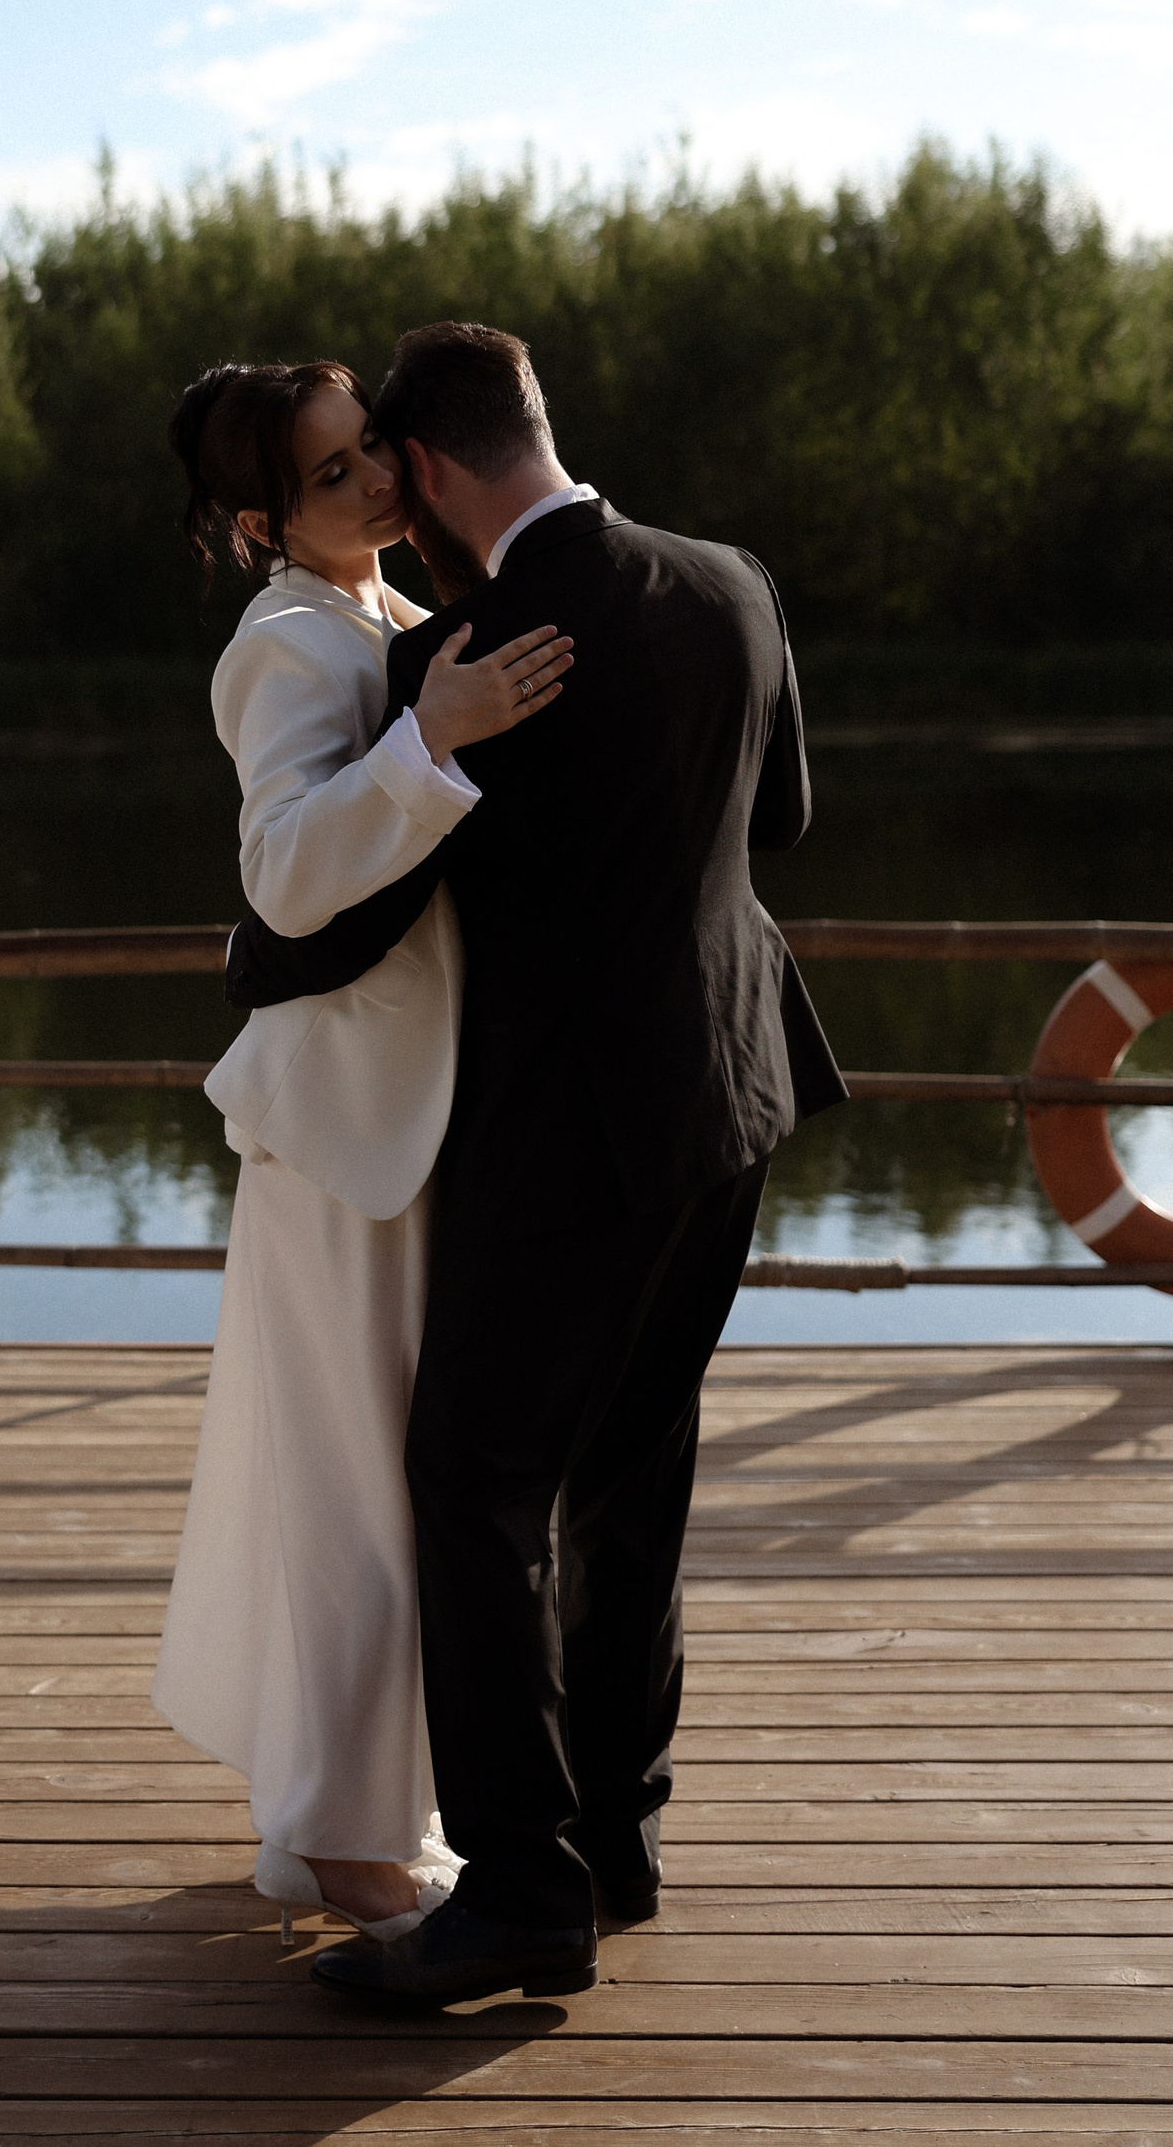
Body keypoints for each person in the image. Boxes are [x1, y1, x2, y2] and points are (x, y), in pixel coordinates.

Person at [226, 321, 845, 2007]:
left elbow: (349, 907)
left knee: (476, 1479)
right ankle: (618, 1843)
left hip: (569, 1132)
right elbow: (777, 820)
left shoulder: (466, 660)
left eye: (389, 473)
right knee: (634, 1470)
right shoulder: (732, 584)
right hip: (735, 1096)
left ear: (426, 473)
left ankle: (518, 1893)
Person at [151, 357, 574, 1943]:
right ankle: (344, 1838)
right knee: (355, 1501)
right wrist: (431, 743)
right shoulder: (284, 644)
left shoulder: (388, 614)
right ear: (264, 522)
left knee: (404, 1487)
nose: (381, 482)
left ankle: (354, 1814)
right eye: (335, 476)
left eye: (374, 453)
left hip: (423, 1119)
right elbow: (281, 873)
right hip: (344, 1136)